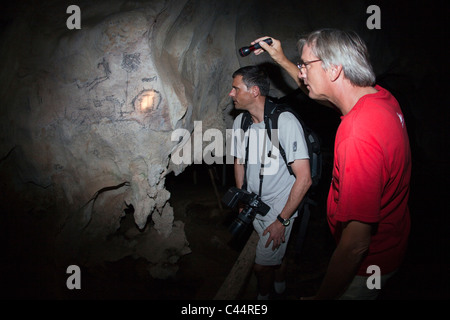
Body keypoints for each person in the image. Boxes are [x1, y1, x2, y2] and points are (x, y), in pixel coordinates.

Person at [251, 29, 411, 299]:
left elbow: (355, 245)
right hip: (393, 242)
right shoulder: (379, 98)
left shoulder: (357, 135)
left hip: (368, 265)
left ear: (335, 69)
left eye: (305, 64)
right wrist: (280, 58)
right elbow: (324, 91)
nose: (301, 72)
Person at [229, 65, 312, 300]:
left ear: (254, 91)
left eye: (236, 88)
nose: (231, 94)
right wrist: (241, 196)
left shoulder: (283, 122)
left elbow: (304, 179)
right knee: (277, 256)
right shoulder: (241, 123)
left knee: (261, 267)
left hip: (280, 206)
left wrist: (281, 220)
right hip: (255, 203)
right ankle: (280, 283)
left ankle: (263, 298)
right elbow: (239, 162)